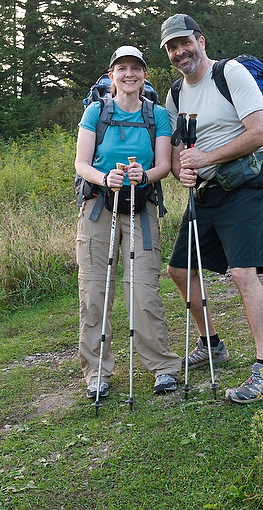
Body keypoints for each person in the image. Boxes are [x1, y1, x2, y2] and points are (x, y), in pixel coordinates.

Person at [159, 14, 263, 404]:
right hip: (207, 193)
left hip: (246, 185)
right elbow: (178, 155)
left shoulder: (231, 74)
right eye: (172, 48)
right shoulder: (175, 95)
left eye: (184, 43)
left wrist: (205, 158)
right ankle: (212, 345)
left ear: (201, 41)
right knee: (178, 270)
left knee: (242, 272)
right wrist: (182, 172)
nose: (180, 52)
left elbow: (259, 132)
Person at [75, 45, 181, 399]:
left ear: (145, 75)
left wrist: (144, 174)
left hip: (142, 206)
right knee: (94, 290)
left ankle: (162, 368)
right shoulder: (95, 112)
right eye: (122, 68)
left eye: (136, 68)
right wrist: (105, 178)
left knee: (144, 289)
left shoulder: (158, 115)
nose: (129, 74)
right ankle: (97, 374)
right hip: (98, 208)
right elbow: (81, 164)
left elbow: (164, 166)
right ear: (111, 75)